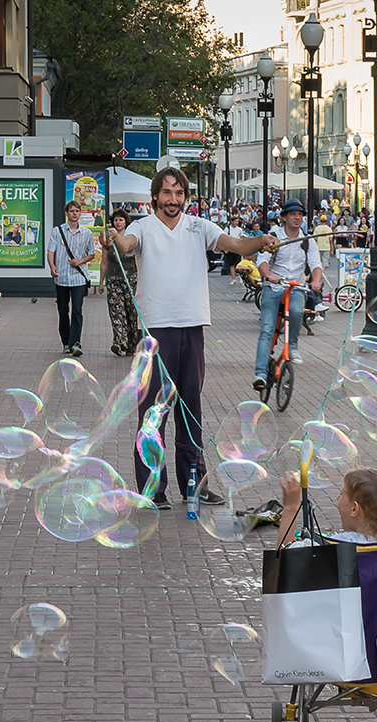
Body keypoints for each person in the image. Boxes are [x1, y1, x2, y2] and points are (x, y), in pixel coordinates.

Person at [107, 167, 277, 510]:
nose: (173, 200)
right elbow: (127, 245)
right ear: (156, 196)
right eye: (167, 193)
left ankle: (193, 485)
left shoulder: (199, 226)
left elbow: (238, 245)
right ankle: (152, 488)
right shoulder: (142, 227)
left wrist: (261, 241)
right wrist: (114, 236)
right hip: (156, 331)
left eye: (179, 193)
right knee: (153, 411)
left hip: (192, 328)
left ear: (186, 196)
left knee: (189, 408)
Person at [253, 198, 323, 389]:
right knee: (267, 329)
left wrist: (316, 280)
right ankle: (259, 374)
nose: (297, 217)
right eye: (292, 214)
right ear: (284, 217)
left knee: (296, 310)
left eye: (300, 214)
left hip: (296, 287)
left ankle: (292, 347)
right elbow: (262, 260)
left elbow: (316, 265)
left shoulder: (307, 241)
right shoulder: (274, 237)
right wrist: (269, 275)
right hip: (275, 287)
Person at [47, 200, 95, 357]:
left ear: (80, 213)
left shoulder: (86, 233)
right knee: (63, 310)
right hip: (61, 277)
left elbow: (92, 254)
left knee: (77, 310)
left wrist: (79, 262)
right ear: (66, 213)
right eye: (72, 211)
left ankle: (75, 343)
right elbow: (50, 250)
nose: (75, 213)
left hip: (78, 279)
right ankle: (66, 341)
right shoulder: (57, 231)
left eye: (77, 211)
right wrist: (52, 266)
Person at [98, 209, 140, 357]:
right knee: (116, 310)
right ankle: (119, 342)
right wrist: (101, 282)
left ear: (125, 222)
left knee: (131, 311)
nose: (118, 222)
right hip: (113, 279)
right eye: (116, 220)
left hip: (131, 279)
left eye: (121, 220)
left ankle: (132, 344)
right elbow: (104, 262)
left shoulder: (131, 237)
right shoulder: (107, 239)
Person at [224, 215, 244, 285]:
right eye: (235, 221)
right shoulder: (227, 229)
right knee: (231, 264)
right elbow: (225, 239)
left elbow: (241, 238)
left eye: (237, 221)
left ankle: (240, 278)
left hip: (237, 248)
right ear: (232, 222)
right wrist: (225, 248)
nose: (236, 223)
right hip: (230, 248)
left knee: (238, 263)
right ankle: (233, 279)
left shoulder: (240, 229)